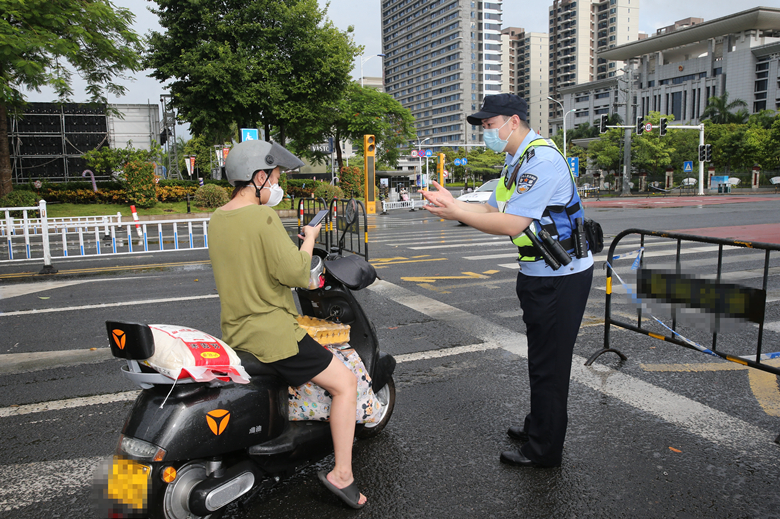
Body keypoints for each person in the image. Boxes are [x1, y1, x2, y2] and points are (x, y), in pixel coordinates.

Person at [421, 94, 594, 468]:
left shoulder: (542, 160)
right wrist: (456, 207)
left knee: (550, 363)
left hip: (560, 277)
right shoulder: (518, 160)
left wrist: (456, 212)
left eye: (488, 125)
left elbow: (512, 224)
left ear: (513, 122)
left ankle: (544, 450)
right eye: (483, 127)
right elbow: (494, 207)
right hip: (538, 273)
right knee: (541, 357)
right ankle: (538, 426)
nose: (486, 132)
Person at [208, 140, 367, 508]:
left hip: (236, 331)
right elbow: (297, 273)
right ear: (259, 177)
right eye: (276, 177)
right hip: (273, 334)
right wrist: (309, 240)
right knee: (345, 383)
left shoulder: (218, 218)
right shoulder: (261, 217)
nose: (278, 185)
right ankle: (341, 473)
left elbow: (253, 268)